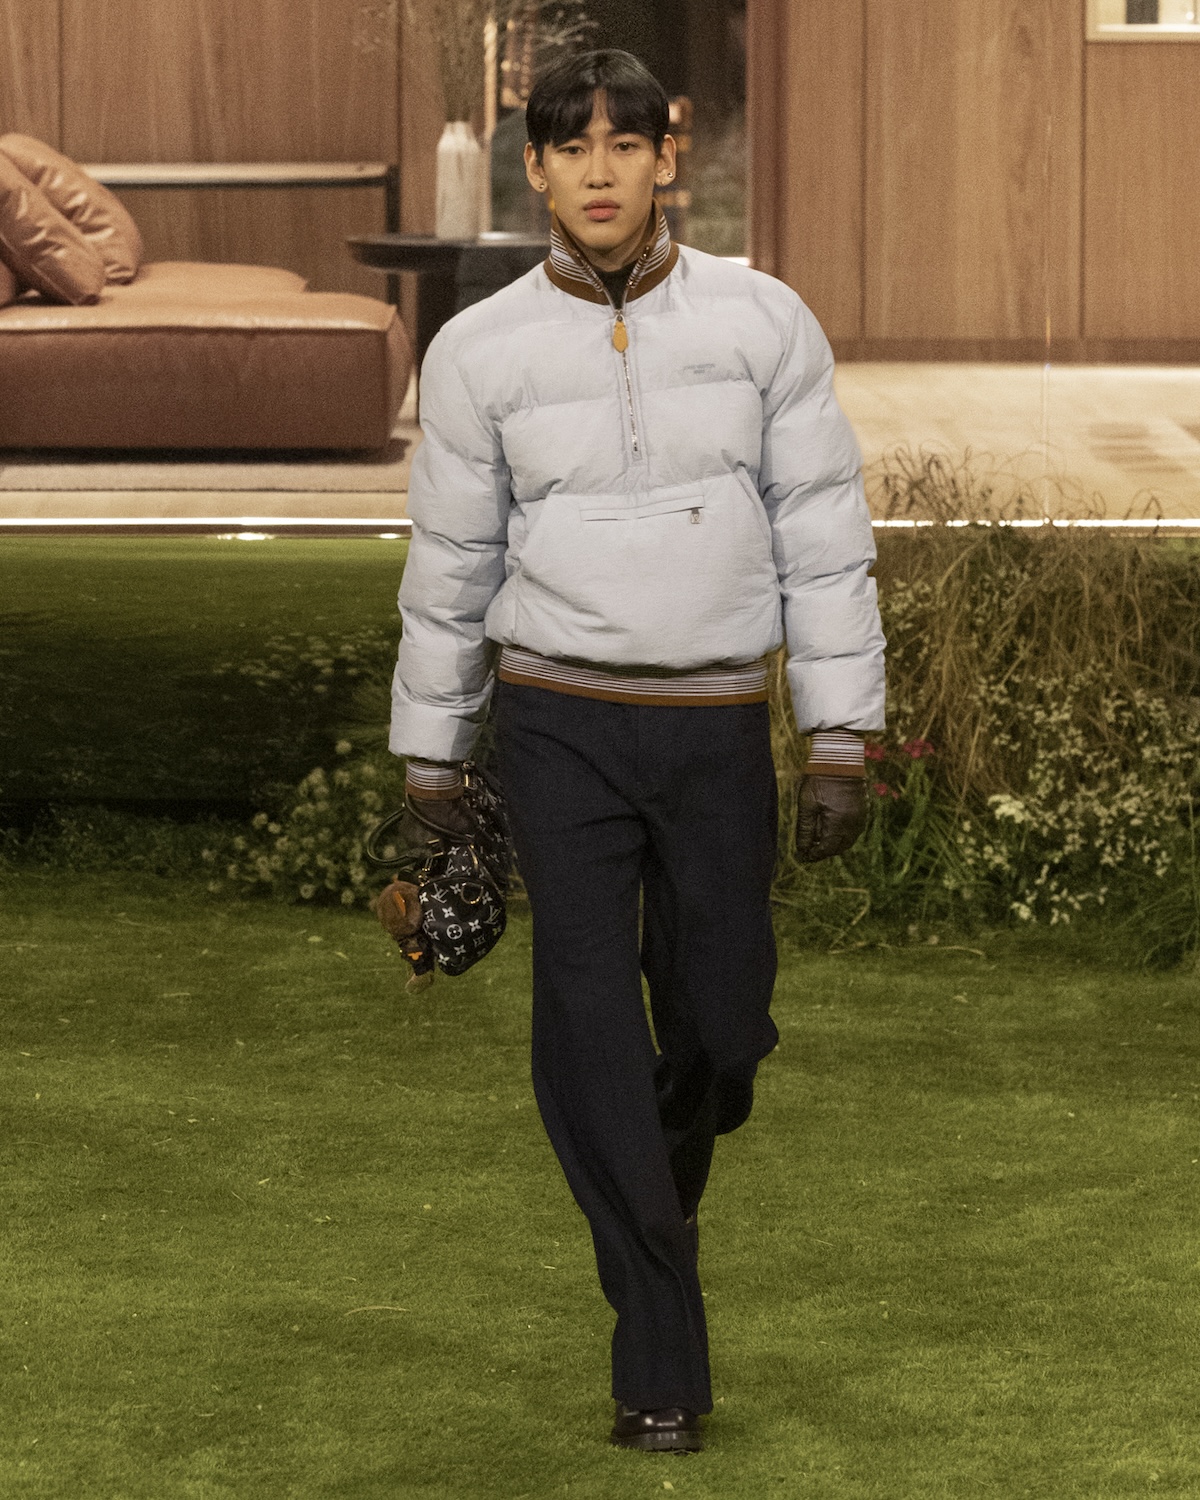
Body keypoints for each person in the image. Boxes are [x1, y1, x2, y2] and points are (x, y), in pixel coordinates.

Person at [390, 48, 886, 1454]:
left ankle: (656, 1182)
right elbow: (449, 567)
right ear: (534, 170)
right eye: (571, 147)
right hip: (557, 727)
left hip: (716, 727)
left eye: (625, 143)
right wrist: (433, 755)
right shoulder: (479, 350)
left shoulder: (763, 320)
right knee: (592, 1026)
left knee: (724, 1029)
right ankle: (658, 1355)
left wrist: (838, 734)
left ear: (669, 158)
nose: (599, 171)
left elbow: (824, 537)